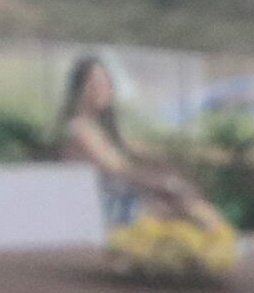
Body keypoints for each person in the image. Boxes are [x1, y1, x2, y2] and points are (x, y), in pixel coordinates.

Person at [49, 53, 209, 224]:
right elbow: (118, 170)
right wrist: (167, 183)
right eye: (95, 83)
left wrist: (167, 170)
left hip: (117, 201)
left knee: (183, 201)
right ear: (80, 88)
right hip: (101, 210)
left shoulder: (101, 129)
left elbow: (135, 153)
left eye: (106, 82)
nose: (103, 88)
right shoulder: (80, 130)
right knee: (177, 206)